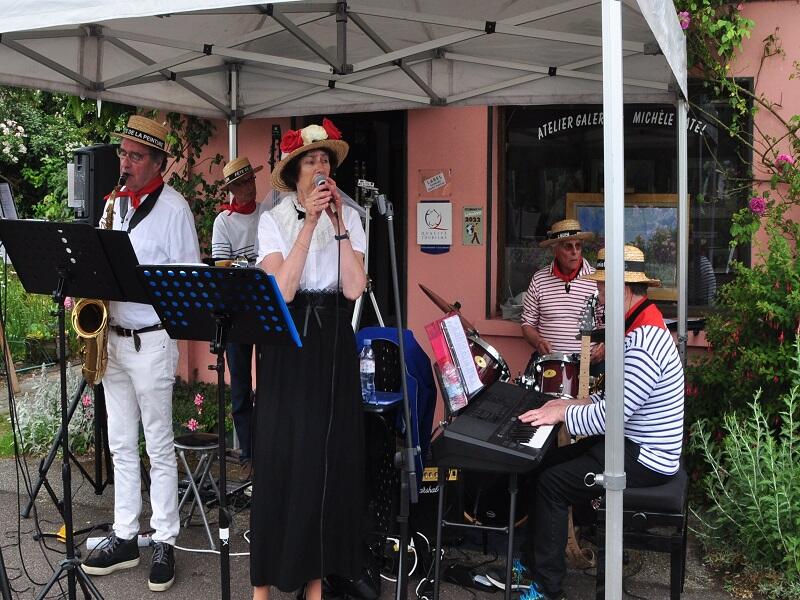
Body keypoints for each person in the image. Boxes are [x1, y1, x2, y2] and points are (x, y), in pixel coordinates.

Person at [513, 245, 685, 600]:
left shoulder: (644, 341)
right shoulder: (640, 325)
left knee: (552, 483)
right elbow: (613, 403)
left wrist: (562, 412)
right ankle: (532, 562)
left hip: (646, 456)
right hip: (633, 442)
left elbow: (612, 416)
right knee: (541, 461)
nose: (598, 296)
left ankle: (546, 588)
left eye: (603, 288)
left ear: (624, 288)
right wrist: (570, 402)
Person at [81, 115, 201, 592]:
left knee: (159, 444)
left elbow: (190, 278)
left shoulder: (175, 210)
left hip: (152, 339)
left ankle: (165, 538)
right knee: (120, 444)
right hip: (112, 337)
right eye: (123, 154)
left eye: (134, 156)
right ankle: (126, 533)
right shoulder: (113, 206)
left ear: (157, 163)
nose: (125, 163)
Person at [251, 118, 367, 600]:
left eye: (327, 161)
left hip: (333, 342)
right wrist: (310, 224)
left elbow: (355, 287)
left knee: (325, 462)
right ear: (296, 173)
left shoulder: (351, 218)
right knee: (283, 460)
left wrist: (338, 226)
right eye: (313, 161)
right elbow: (283, 289)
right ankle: (263, 584)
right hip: (288, 341)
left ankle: (317, 585)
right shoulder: (272, 220)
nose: (321, 168)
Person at [211, 156, 266, 470]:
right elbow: (221, 267)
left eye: (251, 180)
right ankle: (247, 452)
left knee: (271, 381)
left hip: (264, 305)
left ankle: (267, 444)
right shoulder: (223, 221)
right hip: (236, 309)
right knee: (241, 385)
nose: (250, 186)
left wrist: (244, 262)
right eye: (243, 183)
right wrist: (253, 263)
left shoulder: (266, 213)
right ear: (232, 189)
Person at [521, 219, 604, 368]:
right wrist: (538, 342)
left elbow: (610, 325)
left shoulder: (596, 280)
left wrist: (604, 347)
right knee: (526, 389)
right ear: (554, 250)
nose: (575, 252)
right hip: (549, 361)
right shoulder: (539, 279)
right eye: (568, 247)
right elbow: (527, 324)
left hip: (589, 362)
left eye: (578, 246)